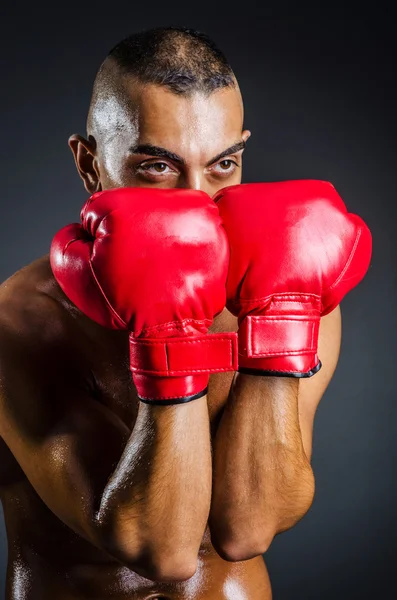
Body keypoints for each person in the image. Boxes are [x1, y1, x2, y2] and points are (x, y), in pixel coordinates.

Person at [0, 26, 371, 599]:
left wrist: (278, 317)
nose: (198, 201)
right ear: (89, 163)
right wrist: (168, 333)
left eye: (223, 165)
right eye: (158, 167)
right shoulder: (18, 325)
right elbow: (164, 550)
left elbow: (250, 527)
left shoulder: (295, 290)